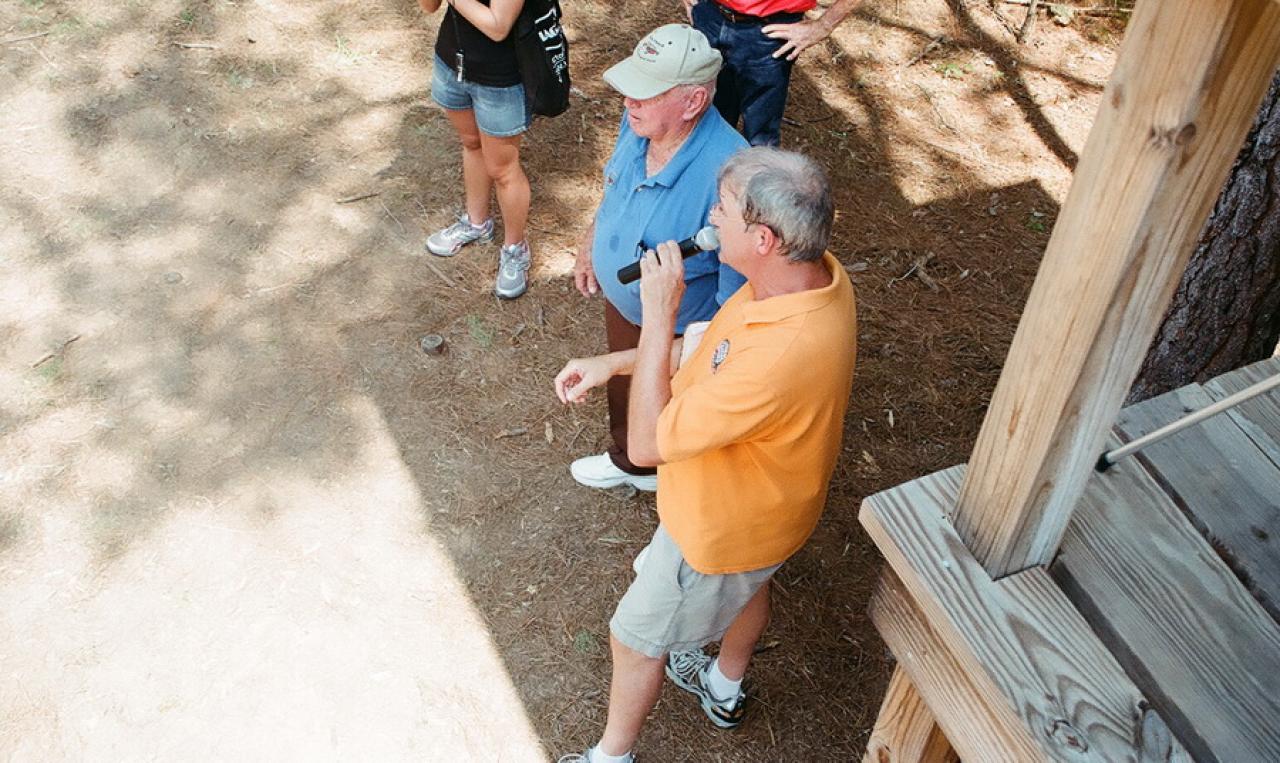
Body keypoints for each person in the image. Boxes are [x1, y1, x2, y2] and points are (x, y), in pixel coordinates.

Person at [553, 147, 858, 763]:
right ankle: (723, 686)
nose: (710, 217)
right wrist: (615, 362)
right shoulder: (811, 277)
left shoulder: (778, 359)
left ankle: (610, 756)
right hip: (769, 516)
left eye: (722, 209)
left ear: (764, 239)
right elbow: (709, 348)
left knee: (634, 639)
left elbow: (645, 446)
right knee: (751, 583)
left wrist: (658, 311)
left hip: (716, 531)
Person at [569, 24, 749, 493]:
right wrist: (592, 243)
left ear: (693, 102)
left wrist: (701, 350)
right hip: (627, 303)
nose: (629, 101)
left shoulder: (733, 176)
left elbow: (736, 301)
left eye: (646, 93)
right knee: (624, 382)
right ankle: (630, 460)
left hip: (682, 330)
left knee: (678, 410)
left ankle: (675, 488)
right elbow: (614, 189)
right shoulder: (640, 122)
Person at [420, 0, 534, 299]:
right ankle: (476, 222)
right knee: (471, 143)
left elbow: (498, 26)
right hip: (452, 64)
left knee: (503, 169)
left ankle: (515, 248)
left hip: (500, 79)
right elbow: (429, 7)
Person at [684, 0, 863, 146]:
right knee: (698, 119)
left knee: (759, 139)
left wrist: (824, 25)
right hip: (710, 16)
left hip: (769, 32)